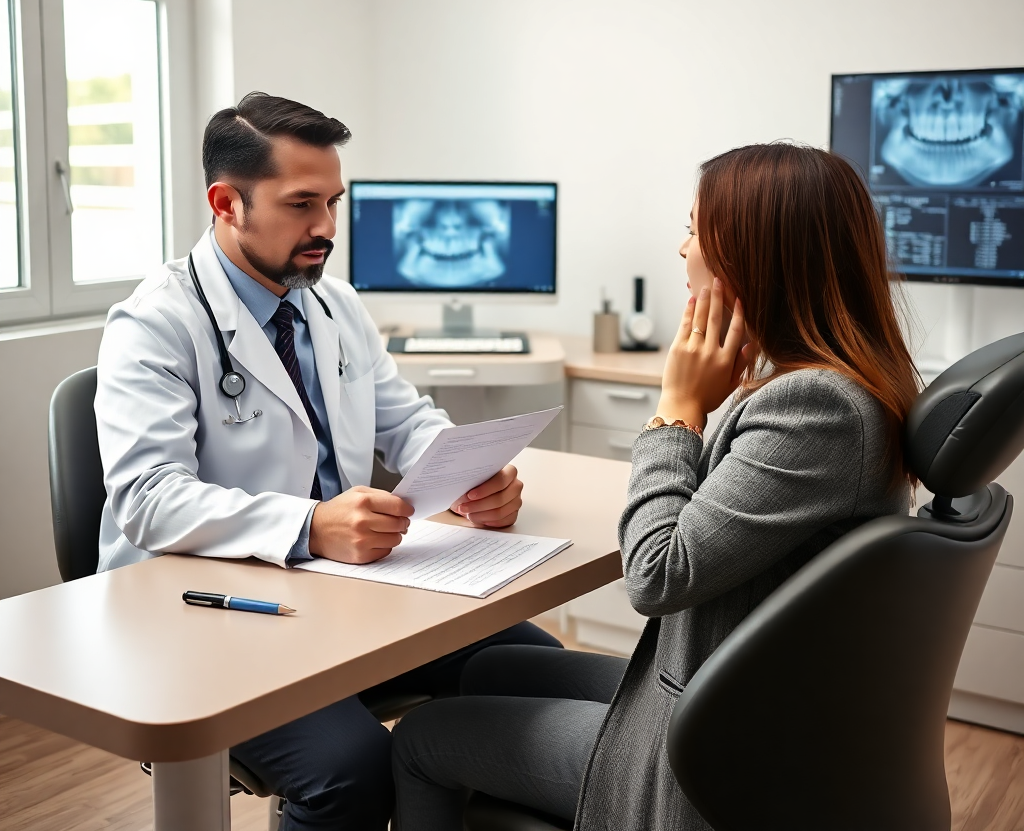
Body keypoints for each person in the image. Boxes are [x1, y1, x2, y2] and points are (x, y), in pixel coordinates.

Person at [391, 142, 920, 831]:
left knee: (423, 737)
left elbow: (656, 573)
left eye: (696, 230)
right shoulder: (820, 387)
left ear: (752, 254)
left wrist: (675, 412)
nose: (681, 250)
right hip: (725, 691)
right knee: (495, 667)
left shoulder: (817, 409)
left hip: (716, 750)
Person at [93, 91, 559, 831]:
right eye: (302, 204)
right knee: (350, 769)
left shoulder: (334, 304)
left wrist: (472, 474)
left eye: (334, 202)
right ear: (227, 202)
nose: (326, 229)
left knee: (541, 674)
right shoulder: (154, 324)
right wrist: (310, 525)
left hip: (344, 600)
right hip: (204, 616)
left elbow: (406, 421)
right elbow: (147, 499)